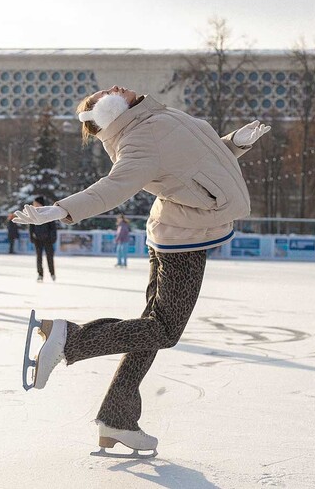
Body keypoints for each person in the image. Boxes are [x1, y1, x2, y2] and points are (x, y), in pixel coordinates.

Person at [14, 86, 269, 455]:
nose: (115, 87)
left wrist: (234, 143)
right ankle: (70, 339)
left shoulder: (156, 117)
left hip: (186, 227)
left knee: (150, 328)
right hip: (183, 235)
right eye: (106, 93)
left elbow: (194, 161)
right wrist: (61, 209)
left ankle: (117, 418)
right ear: (110, 111)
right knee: (164, 330)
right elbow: (114, 187)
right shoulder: (139, 138)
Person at [28, 196, 57, 282]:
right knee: (39, 258)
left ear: (40, 203)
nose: (34, 205)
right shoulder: (33, 214)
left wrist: (52, 237)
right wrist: (32, 237)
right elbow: (31, 227)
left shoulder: (48, 213)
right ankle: (40, 274)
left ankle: (52, 273)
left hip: (48, 239)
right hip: (38, 240)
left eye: (35, 203)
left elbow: (53, 227)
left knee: (49, 257)